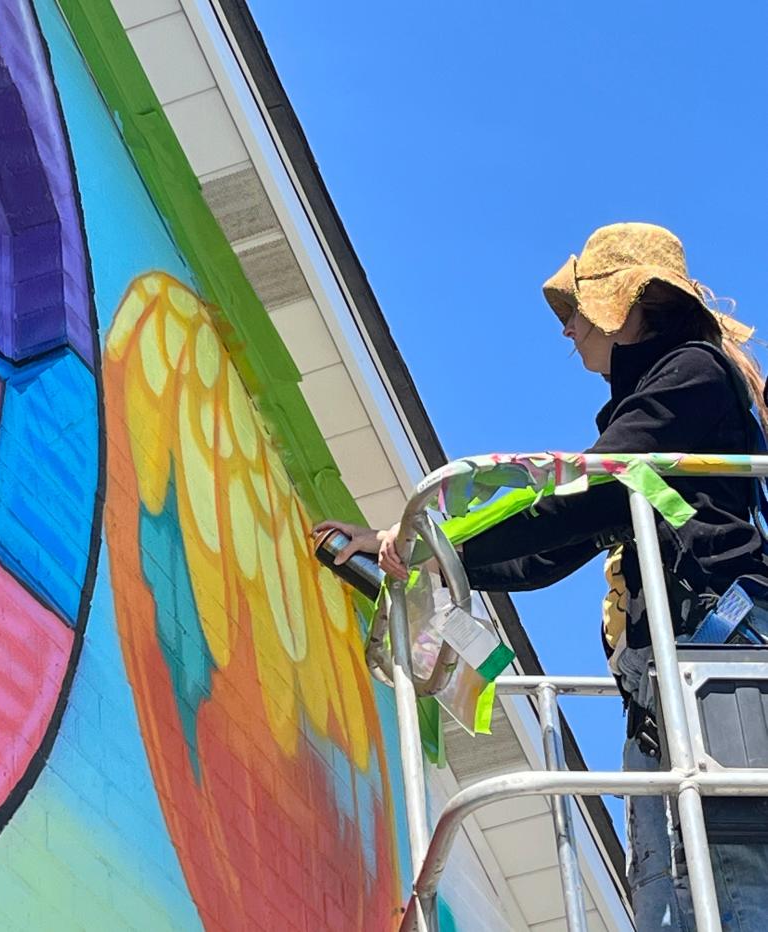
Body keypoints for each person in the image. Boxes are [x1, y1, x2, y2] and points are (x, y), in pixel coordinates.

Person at [316, 222, 768, 931]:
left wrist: (432, 544)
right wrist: (430, 552)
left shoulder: (690, 376)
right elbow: (554, 544)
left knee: (730, 892)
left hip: (722, 689)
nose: (568, 331)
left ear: (631, 306)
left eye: (578, 311)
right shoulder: (661, 409)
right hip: (673, 703)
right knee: (669, 896)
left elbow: (574, 502)